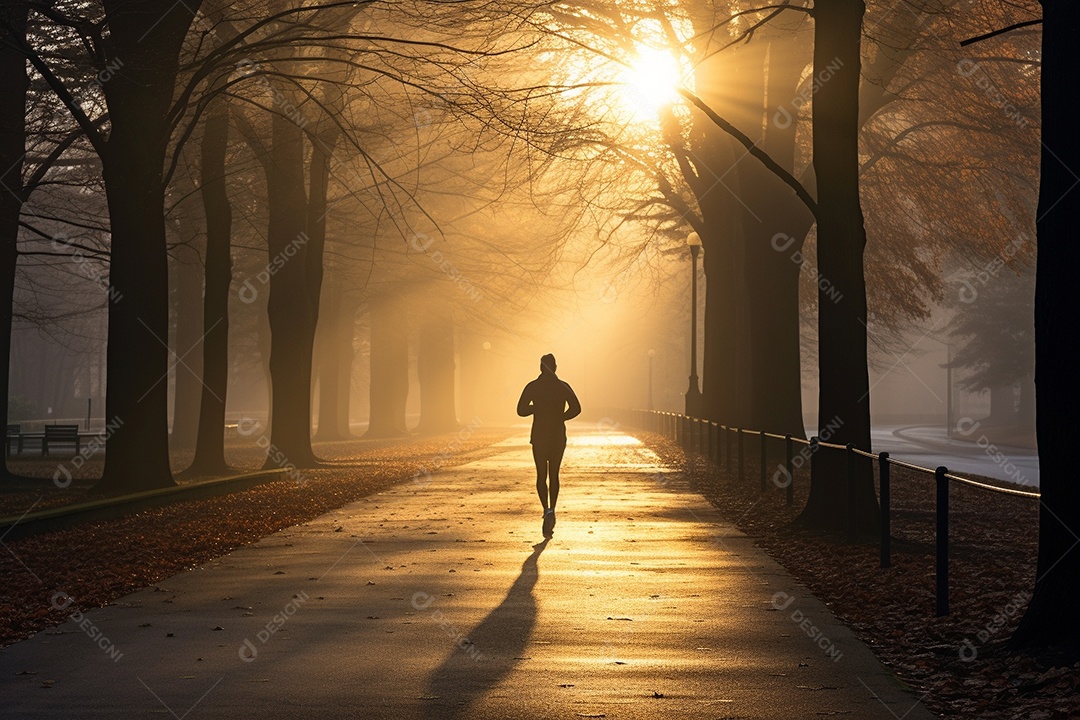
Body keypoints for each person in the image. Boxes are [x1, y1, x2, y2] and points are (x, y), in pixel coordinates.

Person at [517, 353, 581, 538]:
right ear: (555, 367)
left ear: (540, 367)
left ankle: (545, 509)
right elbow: (576, 408)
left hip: (539, 435)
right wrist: (561, 416)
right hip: (557, 435)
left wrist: (535, 408)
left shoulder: (533, 387)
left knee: (540, 474)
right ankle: (552, 508)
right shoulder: (563, 387)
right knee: (554, 474)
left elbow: (520, 410)